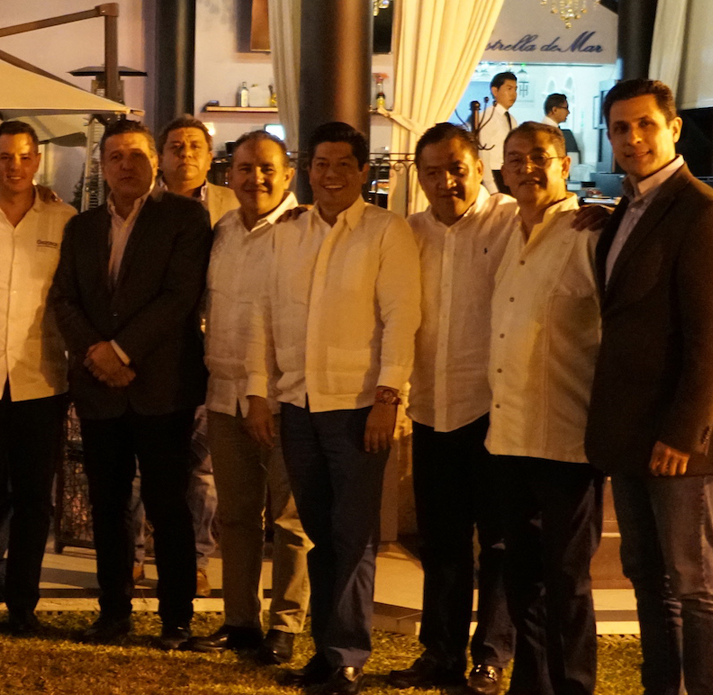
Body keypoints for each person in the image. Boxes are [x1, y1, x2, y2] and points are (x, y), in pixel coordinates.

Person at [245, 122, 420, 694]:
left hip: (358, 409)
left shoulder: (386, 232)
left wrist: (387, 398)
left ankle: (347, 654)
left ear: (364, 171)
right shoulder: (287, 234)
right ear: (308, 170)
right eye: (322, 164)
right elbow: (262, 316)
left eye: (345, 164)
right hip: (298, 406)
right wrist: (259, 392)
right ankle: (325, 651)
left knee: (354, 536)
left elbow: (402, 319)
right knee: (320, 534)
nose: (332, 174)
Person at [589, 79, 713, 695]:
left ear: (674, 128)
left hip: (680, 439)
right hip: (629, 431)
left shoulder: (705, 212)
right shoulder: (626, 211)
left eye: (645, 124)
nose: (633, 139)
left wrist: (681, 434)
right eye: (620, 128)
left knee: (694, 583)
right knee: (647, 578)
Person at [49, 118, 213, 651]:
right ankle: (113, 613)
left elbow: (179, 296)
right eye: (116, 156)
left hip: (160, 386)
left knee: (168, 505)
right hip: (99, 388)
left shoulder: (185, 218)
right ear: (102, 166)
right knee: (108, 506)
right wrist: (96, 353)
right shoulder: (81, 227)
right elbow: (63, 298)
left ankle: (176, 619)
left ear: (155, 163)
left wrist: (120, 351)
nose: (126, 165)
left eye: (137, 155)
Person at [386, 123, 519, 695]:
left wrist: (587, 210)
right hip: (431, 407)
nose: (446, 182)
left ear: (478, 168)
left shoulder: (510, 219)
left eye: (456, 169)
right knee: (441, 542)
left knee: (498, 542)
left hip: (493, 408)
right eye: (433, 172)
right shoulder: (408, 232)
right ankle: (439, 654)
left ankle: (491, 655)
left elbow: (562, 216)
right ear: (419, 177)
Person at [489, 121, 604, 695]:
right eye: (515, 159)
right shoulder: (508, 232)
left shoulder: (589, 234)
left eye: (539, 157)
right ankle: (530, 684)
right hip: (509, 436)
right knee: (521, 575)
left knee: (567, 580)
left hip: (568, 437)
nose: (526, 168)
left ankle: (574, 686)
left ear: (564, 165)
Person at [0, 120, 75, 634]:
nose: (15, 166)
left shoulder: (65, 219)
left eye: (25, 157)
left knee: (33, 499)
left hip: (41, 377)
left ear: (37, 161)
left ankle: (23, 603)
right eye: (5, 157)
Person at [199, 130, 310, 664]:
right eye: (245, 168)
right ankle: (240, 620)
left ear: (287, 174)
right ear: (230, 175)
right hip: (225, 394)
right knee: (237, 516)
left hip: (284, 396)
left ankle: (285, 625)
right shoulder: (223, 229)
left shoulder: (304, 230)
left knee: (290, 520)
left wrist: (264, 392)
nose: (256, 178)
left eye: (267, 168)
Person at [155, 114, 235, 598]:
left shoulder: (232, 205)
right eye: (175, 147)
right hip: (155, 354)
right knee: (146, 466)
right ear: (160, 158)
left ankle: (198, 560)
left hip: (214, 352)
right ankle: (139, 555)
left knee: (203, 467)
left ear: (209, 158)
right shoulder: (142, 204)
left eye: (194, 147)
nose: (185, 154)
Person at [476, 72, 520, 193]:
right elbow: (483, 153)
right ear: (495, 91)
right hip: (493, 174)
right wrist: (491, 186)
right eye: (509, 89)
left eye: (515, 89)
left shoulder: (512, 119)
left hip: (508, 173)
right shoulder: (487, 116)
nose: (513, 94)